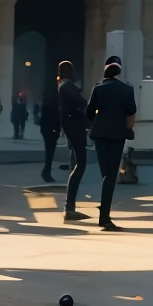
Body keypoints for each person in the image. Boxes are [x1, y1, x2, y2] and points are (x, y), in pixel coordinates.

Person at [84, 59, 137, 228]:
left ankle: (104, 212)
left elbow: (89, 111)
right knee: (111, 175)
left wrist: (95, 125)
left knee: (105, 173)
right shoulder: (127, 89)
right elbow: (131, 113)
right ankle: (104, 217)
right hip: (117, 135)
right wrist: (129, 130)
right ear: (118, 74)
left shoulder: (98, 88)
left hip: (99, 134)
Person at [56, 62, 91, 218]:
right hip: (75, 128)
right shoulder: (67, 86)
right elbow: (81, 103)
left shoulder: (62, 85)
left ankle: (70, 206)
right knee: (80, 165)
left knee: (75, 165)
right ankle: (69, 208)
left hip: (71, 127)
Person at [38, 73, 64, 181]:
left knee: (49, 149)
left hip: (46, 126)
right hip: (52, 126)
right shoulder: (55, 95)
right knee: (50, 150)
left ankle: (47, 170)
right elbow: (56, 112)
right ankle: (46, 171)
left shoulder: (46, 96)